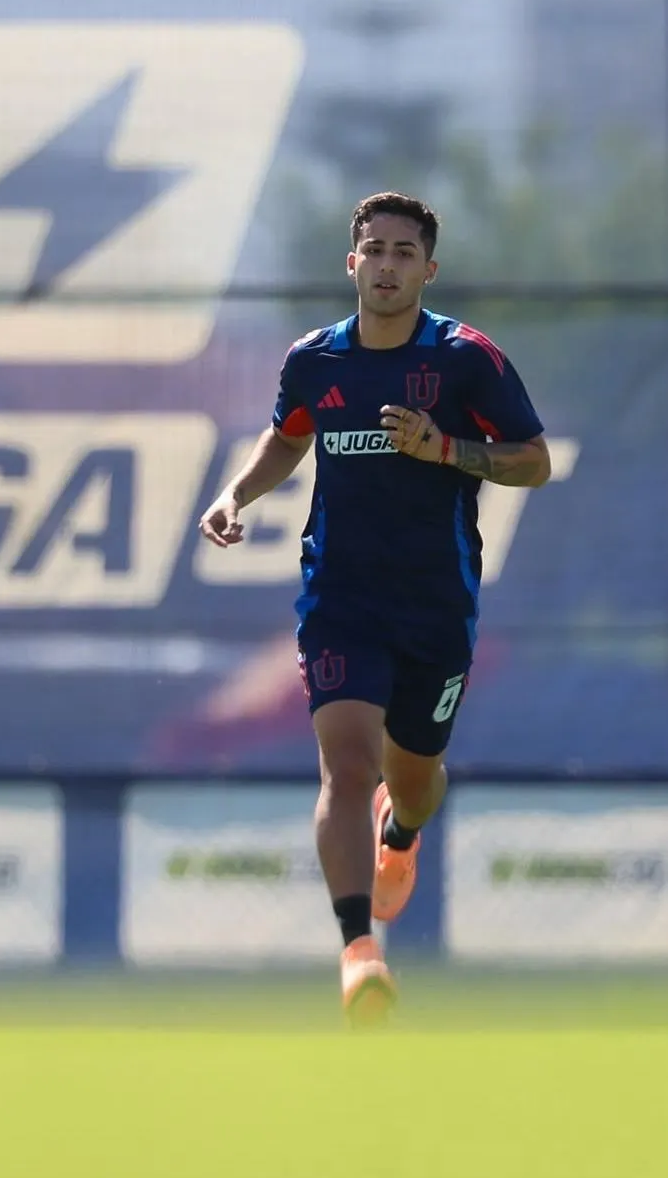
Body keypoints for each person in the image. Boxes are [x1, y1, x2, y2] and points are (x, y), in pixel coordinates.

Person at [198, 191, 550, 1023]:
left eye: (404, 253)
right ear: (351, 262)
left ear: (428, 269)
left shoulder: (467, 359)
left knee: (414, 782)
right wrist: (235, 493)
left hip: (434, 603)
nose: (387, 265)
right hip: (340, 596)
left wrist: (446, 448)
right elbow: (289, 433)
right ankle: (359, 953)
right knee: (346, 765)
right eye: (374, 250)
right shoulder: (315, 361)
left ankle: (402, 833)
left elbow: (532, 461)